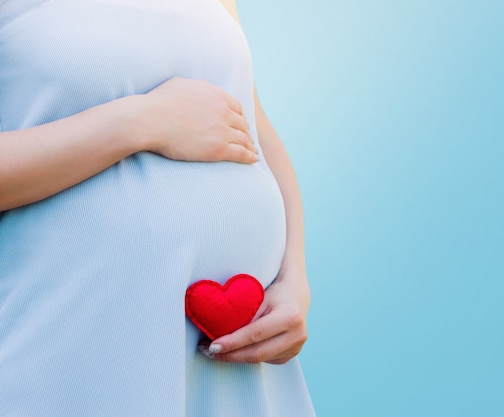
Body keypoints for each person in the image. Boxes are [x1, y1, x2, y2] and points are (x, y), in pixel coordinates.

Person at [0, 0, 316, 416]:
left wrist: (294, 278)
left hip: (240, 360)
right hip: (73, 349)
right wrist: (141, 121)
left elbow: (253, 127)